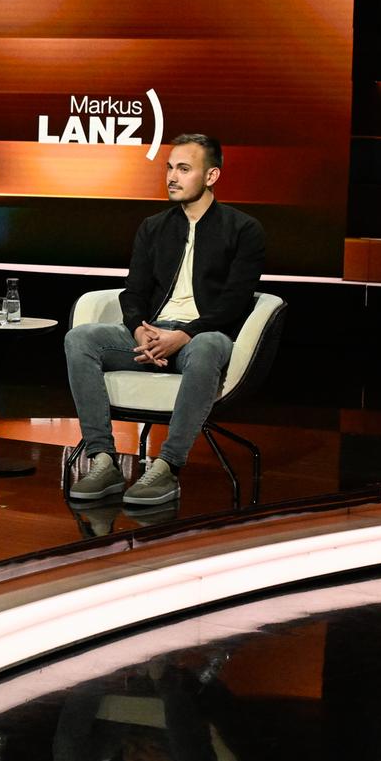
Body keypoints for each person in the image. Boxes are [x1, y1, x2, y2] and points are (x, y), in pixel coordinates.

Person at [64, 133, 265, 506]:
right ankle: (103, 459)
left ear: (211, 176)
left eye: (184, 169)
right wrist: (139, 329)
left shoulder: (243, 229)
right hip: (152, 335)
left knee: (208, 345)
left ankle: (167, 466)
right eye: (170, 168)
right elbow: (133, 292)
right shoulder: (154, 227)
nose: (172, 177)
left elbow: (235, 302)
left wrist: (185, 335)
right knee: (80, 338)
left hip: (201, 338)